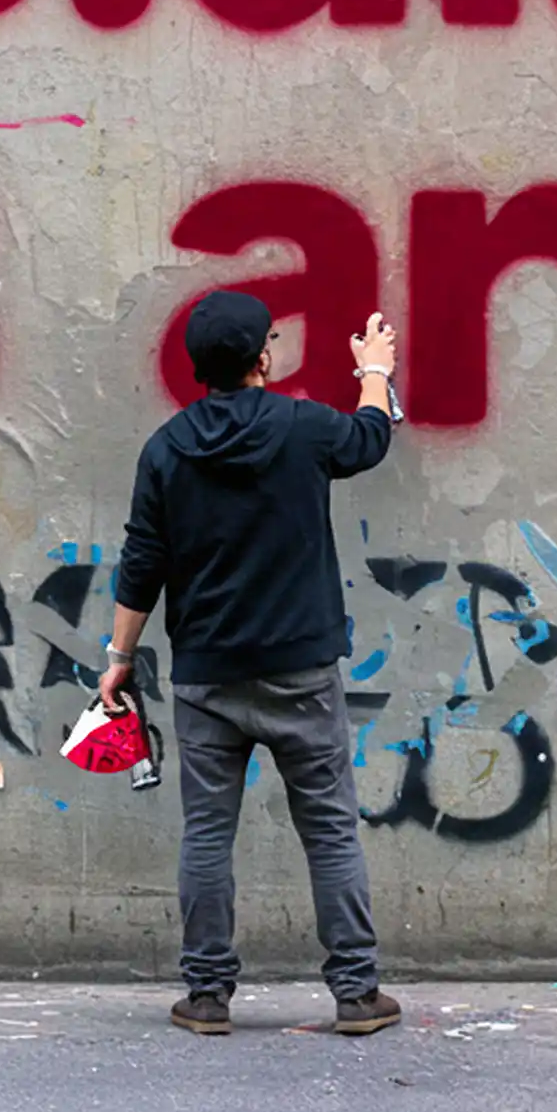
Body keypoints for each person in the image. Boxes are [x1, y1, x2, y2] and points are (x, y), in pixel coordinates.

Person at [100, 290, 400, 1037]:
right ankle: (356, 994)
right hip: (301, 668)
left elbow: (143, 564)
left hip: (206, 677)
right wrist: (373, 369)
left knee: (207, 834)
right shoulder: (302, 430)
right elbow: (367, 440)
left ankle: (206, 996)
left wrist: (119, 659)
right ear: (262, 358)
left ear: (199, 368)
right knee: (329, 829)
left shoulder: (166, 449)